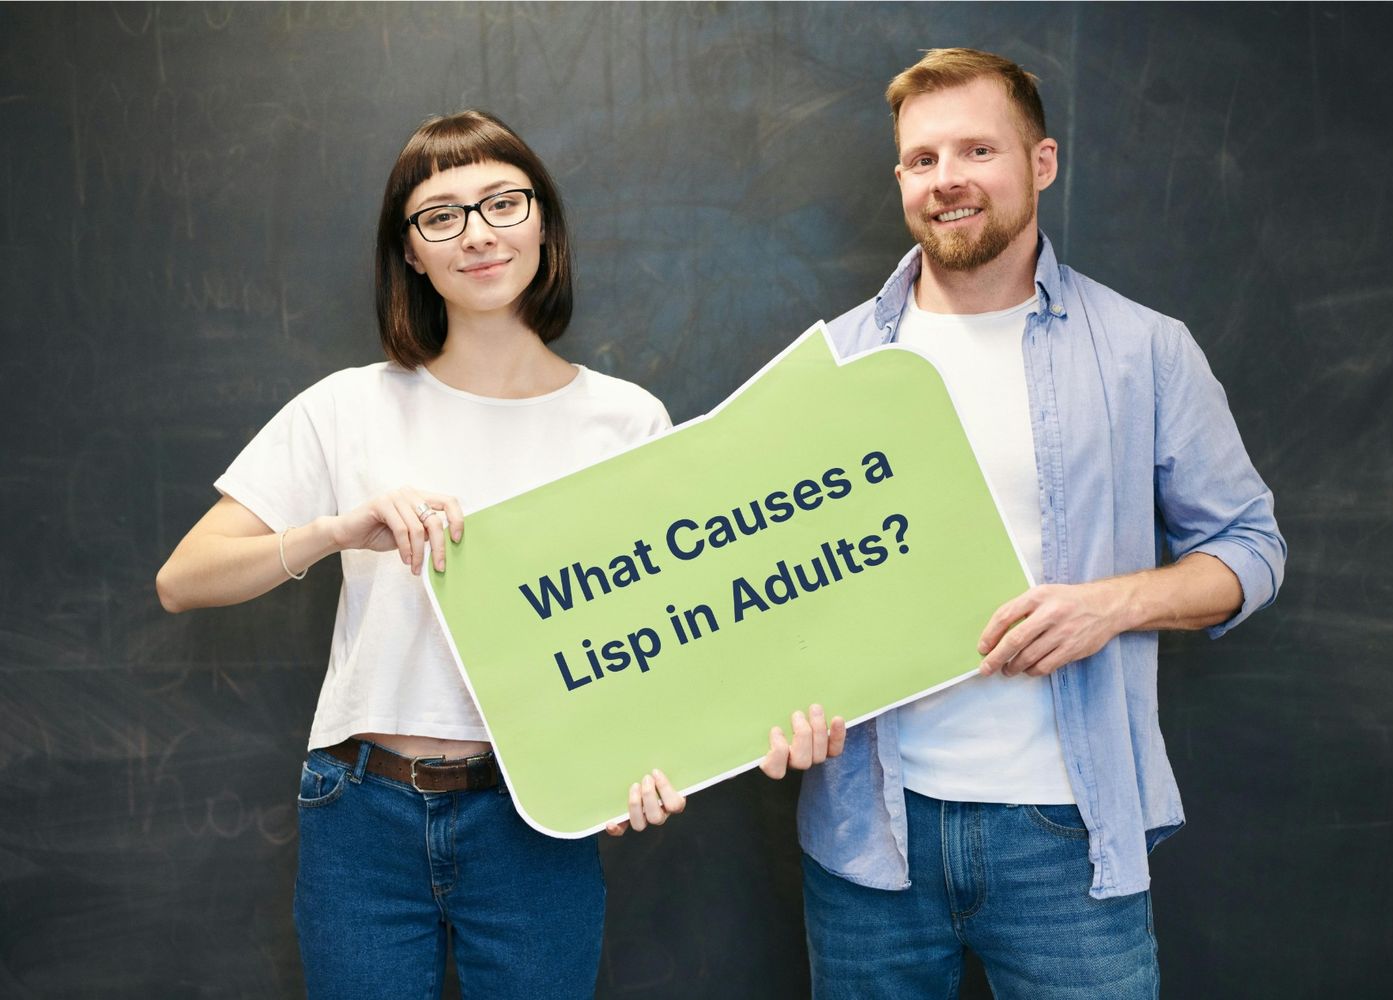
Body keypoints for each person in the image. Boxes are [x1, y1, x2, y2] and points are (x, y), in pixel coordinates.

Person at [760, 49, 1287, 997]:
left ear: (1040, 163)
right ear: (900, 182)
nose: (947, 179)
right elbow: (770, 584)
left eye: (976, 150)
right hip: (872, 839)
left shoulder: (1144, 351)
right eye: (922, 160)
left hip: (1067, 836)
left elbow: (1251, 551)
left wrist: (1110, 606)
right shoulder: (827, 367)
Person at [156, 110, 688, 998]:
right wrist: (332, 531)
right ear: (409, 252)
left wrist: (644, 759)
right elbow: (182, 581)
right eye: (440, 216)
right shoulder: (348, 407)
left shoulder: (626, 420)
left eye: (502, 204)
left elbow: (672, 626)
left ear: (543, 222)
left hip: (537, 813)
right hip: (360, 812)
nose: (477, 235)